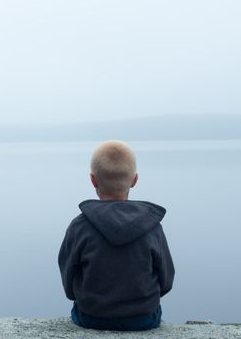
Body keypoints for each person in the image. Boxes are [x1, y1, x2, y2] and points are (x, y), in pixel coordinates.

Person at [58, 140, 175, 331]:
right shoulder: (152, 227)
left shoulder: (79, 226)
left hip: (91, 317)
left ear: (93, 180)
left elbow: (68, 279)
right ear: (135, 180)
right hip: (144, 319)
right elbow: (166, 280)